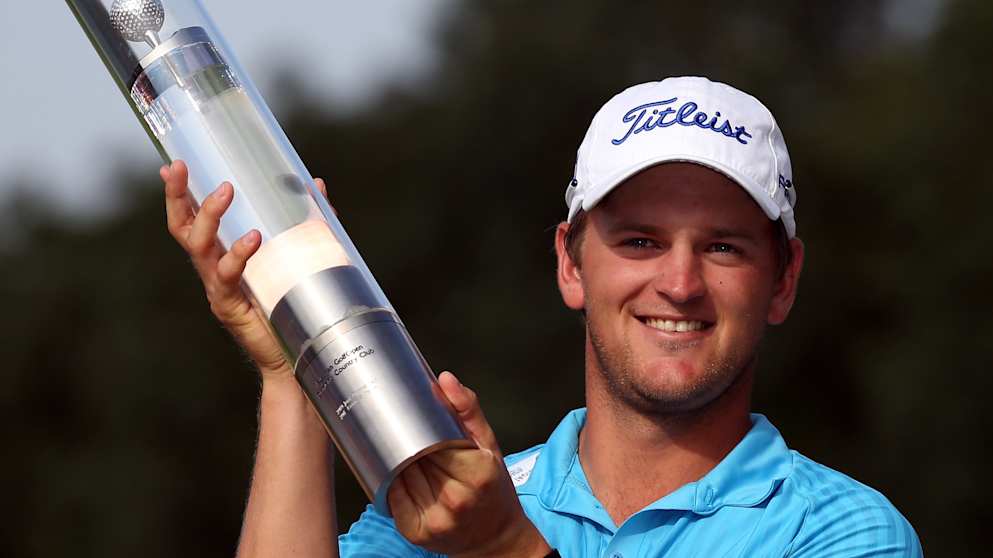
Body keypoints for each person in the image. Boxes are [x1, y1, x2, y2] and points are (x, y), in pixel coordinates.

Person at [162, 76, 923, 557]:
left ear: (783, 280)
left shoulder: (841, 534)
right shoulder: (441, 511)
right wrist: (292, 367)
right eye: (639, 241)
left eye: (722, 247)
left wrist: (504, 549)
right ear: (569, 262)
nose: (680, 282)